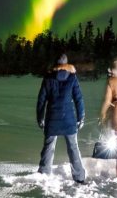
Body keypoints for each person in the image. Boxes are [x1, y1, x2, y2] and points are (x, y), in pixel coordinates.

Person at [37, 54, 86, 184]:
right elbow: (78, 98)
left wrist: (40, 117)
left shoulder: (48, 78)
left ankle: (43, 175)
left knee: (48, 148)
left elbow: (41, 100)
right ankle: (79, 177)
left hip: (52, 119)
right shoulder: (72, 77)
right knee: (73, 148)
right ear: (66, 64)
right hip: (69, 120)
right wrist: (81, 117)